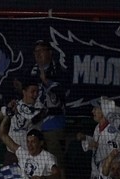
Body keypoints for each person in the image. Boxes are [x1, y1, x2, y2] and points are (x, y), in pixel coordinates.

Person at [28, 39, 69, 170]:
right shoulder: (31, 72)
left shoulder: (59, 71)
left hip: (54, 126)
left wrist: (45, 80)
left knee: (56, 164)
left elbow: (62, 95)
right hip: (35, 126)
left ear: (50, 53)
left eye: (41, 51)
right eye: (36, 52)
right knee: (36, 163)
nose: (38, 54)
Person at [0, 79, 45, 158]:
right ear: (24, 92)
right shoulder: (14, 106)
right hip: (12, 152)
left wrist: (17, 111)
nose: (35, 94)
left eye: (37, 92)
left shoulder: (40, 108)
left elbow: (33, 119)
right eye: (33, 91)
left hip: (30, 154)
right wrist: (9, 112)